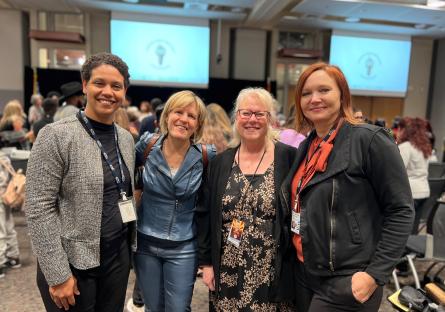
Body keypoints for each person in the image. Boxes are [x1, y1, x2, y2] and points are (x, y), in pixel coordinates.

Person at [282, 62, 414, 312]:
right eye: (306, 93)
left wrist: (374, 275)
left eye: (324, 90)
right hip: (304, 272)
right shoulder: (306, 147)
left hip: (347, 279)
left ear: (342, 94)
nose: (315, 99)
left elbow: (401, 210)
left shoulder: (371, 140)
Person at [24, 52, 135, 312]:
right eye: (99, 83)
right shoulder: (56, 136)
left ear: (124, 91)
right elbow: (38, 208)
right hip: (73, 263)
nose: (108, 92)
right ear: (85, 85)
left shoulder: (125, 139)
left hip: (116, 259)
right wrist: (57, 273)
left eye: (116, 86)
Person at [198, 87, 297, 311]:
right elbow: (205, 214)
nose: (252, 119)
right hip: (228, 268)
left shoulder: (289, 158)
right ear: (236, 117)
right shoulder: (220, 163)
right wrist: (206, 263)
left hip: (272, 271)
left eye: (259, 114)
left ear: (270, 119)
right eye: (246, 113)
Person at [134, 90, 215, 312]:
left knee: (178, 309)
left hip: (184, 246)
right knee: (153, 308)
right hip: (145, 243)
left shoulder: (207, 156)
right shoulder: (146, 146)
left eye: (191, 116)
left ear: (198, 124)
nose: (184, 119)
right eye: (178, 112)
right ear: (167, 116)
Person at [397, 117, 431, 234]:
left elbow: (397, 172)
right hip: (424, 192)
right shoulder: (423, 147)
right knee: (413, 229)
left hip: (411, 193)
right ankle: (410, 251)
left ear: (404, 130)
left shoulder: (406, 147)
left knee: (401, 229)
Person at [0, 151, 21, 279]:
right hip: (8, 195)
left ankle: (0, 263)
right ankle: (13, 256)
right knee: (8, 226)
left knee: (0, 230)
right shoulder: (3, 156)